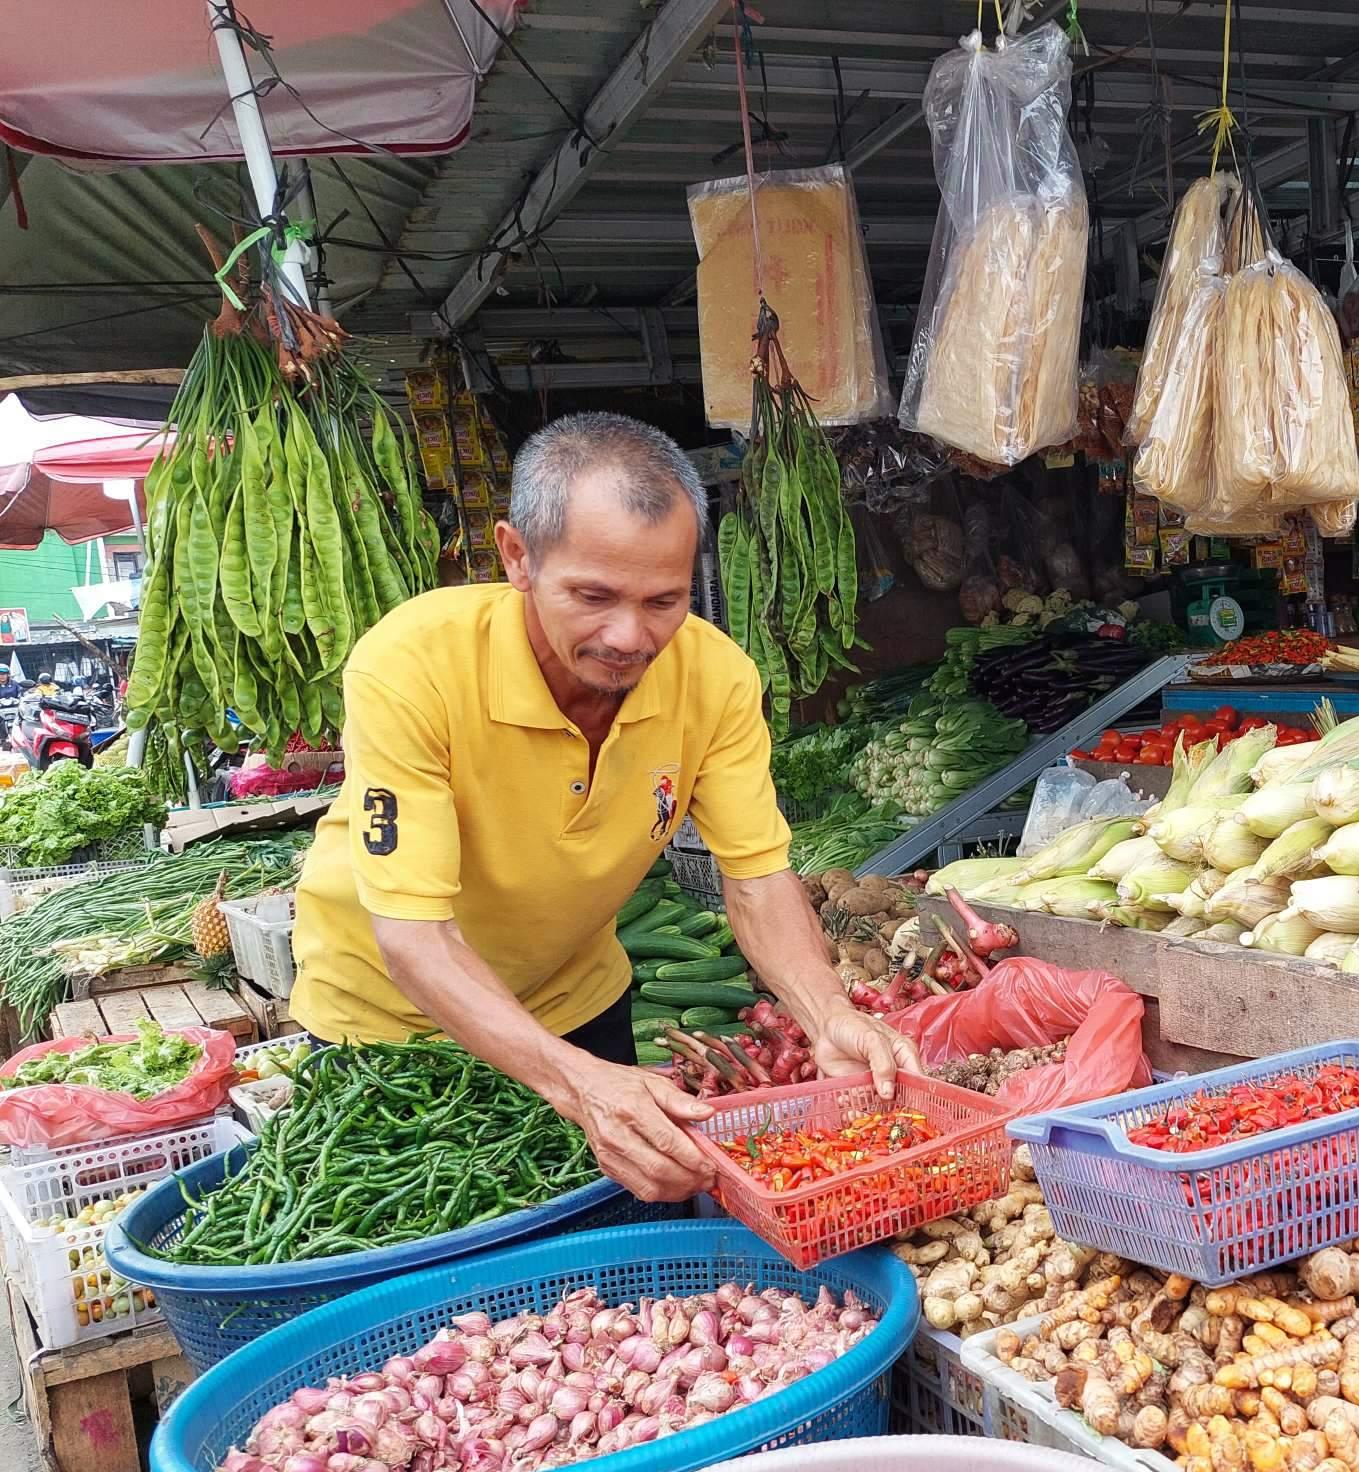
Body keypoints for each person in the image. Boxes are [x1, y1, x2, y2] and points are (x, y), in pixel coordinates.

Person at [289, 411, 921, 1202]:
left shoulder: (715, 678)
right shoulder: (413, 664)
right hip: (388, 1026)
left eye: (665, 601)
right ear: (517, 556)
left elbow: (757, 878)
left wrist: (826, 1011)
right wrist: (576, 1084)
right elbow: (417, 938)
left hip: (576, 1003)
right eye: (593, 595)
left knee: (605, 1271)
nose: (629, 636)